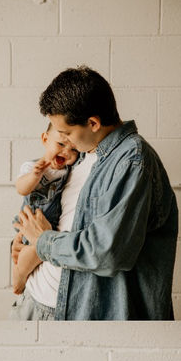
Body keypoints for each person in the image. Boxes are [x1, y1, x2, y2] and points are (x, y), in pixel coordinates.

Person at [10, 66, 178, 321]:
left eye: (66, 133)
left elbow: (107, 252)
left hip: (79, 315)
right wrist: (25, 242)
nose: (64, 142)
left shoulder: (132, 161)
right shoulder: (82, 156)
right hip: (36, 301)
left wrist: (43, 241)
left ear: (93, 123)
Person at [12, 123, 78, 294]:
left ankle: (22, 272)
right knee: (33, 251)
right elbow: (21, 188)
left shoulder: (70, 171)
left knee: (42, 250)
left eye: (74, 150)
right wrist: (35, 176)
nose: (66, 152)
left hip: (52, 225)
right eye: (61, 144)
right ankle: (19, 274)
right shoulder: (32, 167)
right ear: (45, 139)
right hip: (32, 221)